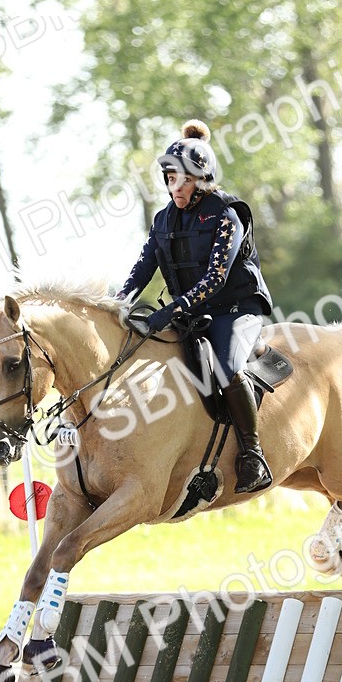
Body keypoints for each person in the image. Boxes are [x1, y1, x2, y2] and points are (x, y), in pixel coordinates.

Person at [117, 119, 273, 493]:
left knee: (225, 364)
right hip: (191, 311)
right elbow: (144, 267)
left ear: (202, 180)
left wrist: (170, 311)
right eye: (170, 178)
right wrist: (118, 304)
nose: (175, 187)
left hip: (235, 308)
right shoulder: (163, 219)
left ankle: (253, 454)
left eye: (183, 179)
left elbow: (216, 279)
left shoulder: (228, 214)